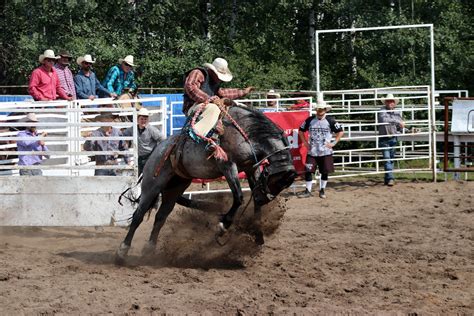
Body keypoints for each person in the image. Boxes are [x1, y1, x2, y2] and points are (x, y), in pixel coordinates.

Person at [183, 57, 253, 139]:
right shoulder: (198, 73)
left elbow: (224, 93)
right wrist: (210, 99)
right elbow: (191, 87)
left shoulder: (214, 82)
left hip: (206, 106)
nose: (220, 79)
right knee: (214, 108)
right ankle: (195, 134)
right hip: (193, 107)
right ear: (212, 71)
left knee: (238, 107)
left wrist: (243, 92)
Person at [298, 98, 343, 199]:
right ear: (316, 110)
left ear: (325, 109)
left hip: (325, 151)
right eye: (318, 109)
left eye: (322, 109)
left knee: (324, 171)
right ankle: (308, 190)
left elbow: (340, 131)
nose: (320, 111)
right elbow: (301, 130)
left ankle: (322, 190)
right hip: (312, 150)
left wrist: (334, 143)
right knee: (309, 170)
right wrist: (305, 143)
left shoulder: (330, 120)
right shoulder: (310, 120)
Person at [123, 107, 164, 175]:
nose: (143, 121)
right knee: (138, 175)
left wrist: (157, 152)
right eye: (141, 119)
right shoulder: (133, 129)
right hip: (139, 158)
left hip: (150, 157)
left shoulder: (151, 130)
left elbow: (162, 138)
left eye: (145, 119)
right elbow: (124, 134)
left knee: (149, 175)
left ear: (148, 120)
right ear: (138, 119)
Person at [377, 93, 405, 186]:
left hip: (393, 137)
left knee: (390, 159)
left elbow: (399, 125)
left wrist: (403, 128)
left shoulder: (397, 113)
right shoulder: (382, 110)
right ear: (385, 102)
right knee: (387, 159)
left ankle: (387, 178)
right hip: (384, 138)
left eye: (392, 101)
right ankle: (390, 178)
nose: (390, 103)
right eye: (388, 101)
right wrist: (398, 122)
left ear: (394, 103)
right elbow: (384, 120)